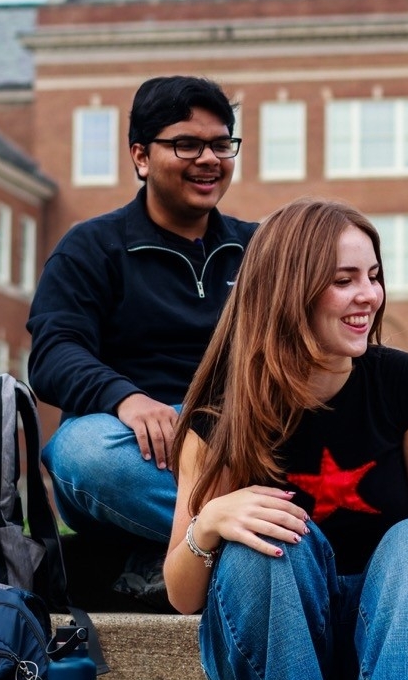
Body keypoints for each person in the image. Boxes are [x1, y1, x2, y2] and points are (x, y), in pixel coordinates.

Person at [164, 198, 408, 680]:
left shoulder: (406, 383)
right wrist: (209, 522)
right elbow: (182, 595)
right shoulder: (222, 409)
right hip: (277, 635)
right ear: (289, 291)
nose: (369, 295)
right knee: (264, 543)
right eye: (344, 280)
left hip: (391, 626)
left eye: (373, 276)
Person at [27, 76, 257, 575]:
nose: (209, 159)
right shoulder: (91, 247)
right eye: (186, 144)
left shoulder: (261, 249)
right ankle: (259, 536)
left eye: (221, 144)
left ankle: (200, 554)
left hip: (235, 441)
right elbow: (52, 353)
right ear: (141, 157)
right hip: (134, 449)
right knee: (83, 454)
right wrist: (126, 399)